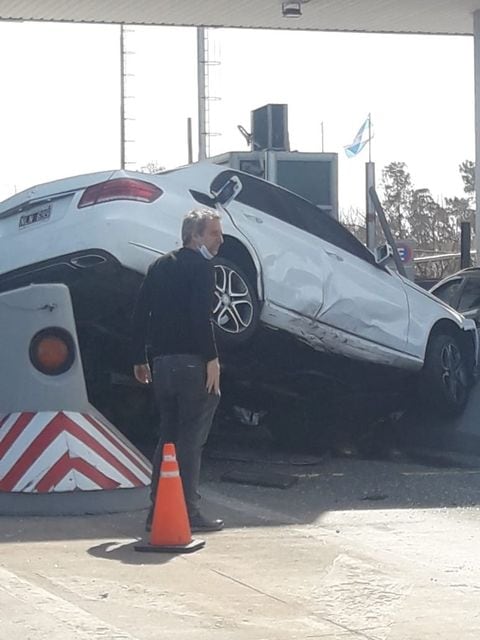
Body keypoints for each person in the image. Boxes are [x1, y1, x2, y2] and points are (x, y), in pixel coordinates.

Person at [131, 208, 224, 533]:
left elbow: (140, 313)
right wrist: (211, 359)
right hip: (192, 363)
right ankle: (189, 511)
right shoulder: (201, 267)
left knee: (166, 438)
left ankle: (157, 510)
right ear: (195, 235)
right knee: (191, 441)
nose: (220, 240)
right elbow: (202, 318)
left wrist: (139, 358)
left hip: (162, 365)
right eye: (214, 233)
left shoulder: (159, 266)